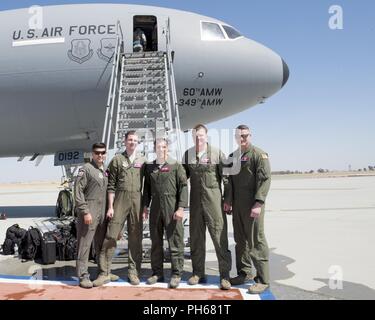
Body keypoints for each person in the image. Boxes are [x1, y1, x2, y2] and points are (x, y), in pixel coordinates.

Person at [182, 124, 232, 290]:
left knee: (219, 238)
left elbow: (226, 178)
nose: (198, 138)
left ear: (206, 136)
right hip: (196, 203)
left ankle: (224, 276)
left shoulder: (217, 153)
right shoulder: (188, 155)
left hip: (214, 203)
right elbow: (182, 179)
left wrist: (228, 200)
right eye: (196, 136)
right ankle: (198, 273)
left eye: (201, 135)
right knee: (196, 239)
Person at [94, 131, 146, 286]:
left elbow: (147, 185)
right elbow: (111, 185)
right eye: (130, 139)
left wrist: (145, 207)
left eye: (135, 140)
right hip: (120, 200)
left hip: (137, 200)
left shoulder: (143, 161)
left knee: (136, 238)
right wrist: (110, 207)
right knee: (111, 235)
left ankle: (133, 272)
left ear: (138, 143)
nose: (132, 142)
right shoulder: (117, 160)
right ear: (125, 141)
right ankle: (104, 272)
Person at [224, 124, 271, 294]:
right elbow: (228, 181)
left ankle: (262, 279)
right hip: (237, 207)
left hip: (253, 206)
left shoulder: (259, 155)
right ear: (236, 138)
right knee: (240, 241)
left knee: (256, 241)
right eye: (239, 136)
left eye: (245, 135)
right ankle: (244, 273)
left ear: (250, 136)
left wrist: (258, 203)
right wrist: (228, 201)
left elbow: (265, 180)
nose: (242, 138)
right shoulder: (232, 157)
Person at [143, 138, 188, 288]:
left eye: (163, 147)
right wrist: (145, 206)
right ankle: (157, 273)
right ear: (154, 149)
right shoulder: (150, 167)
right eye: (158, 147)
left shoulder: (175, 165)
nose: (161, 149)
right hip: (155, 208)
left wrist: (181, 208)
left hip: (172, 207)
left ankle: (176, 274)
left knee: (175, 242)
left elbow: (183, 187)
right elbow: (147, 190)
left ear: (167, 149)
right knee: (156, 242)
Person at [75, 142, 110, 289]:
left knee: (101, 245)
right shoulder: (86, 169)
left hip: (102, 214)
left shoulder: (105, 171)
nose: (100, 155)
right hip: (89, 213)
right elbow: (78, 192)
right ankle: (83, 275)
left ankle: (103, 272)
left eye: (102, 153)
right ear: (92, 154)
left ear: (105, 154)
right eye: (97, 153)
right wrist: (85, 211)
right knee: (85, 244)